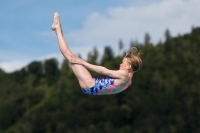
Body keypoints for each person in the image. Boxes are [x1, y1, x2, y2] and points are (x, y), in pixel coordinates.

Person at [51, 12, 142, 95]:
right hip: (90, 88)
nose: (120, 64)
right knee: (70, 57)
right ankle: (57, 29)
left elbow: (103, 71)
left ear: (129, 66)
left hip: (90, 83)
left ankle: (58, 28)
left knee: (70, 57)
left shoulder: (124, 75)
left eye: (123, 63)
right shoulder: (129, 81)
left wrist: (84, 63)